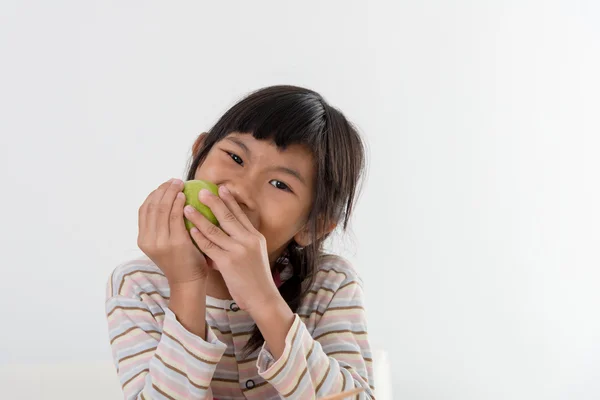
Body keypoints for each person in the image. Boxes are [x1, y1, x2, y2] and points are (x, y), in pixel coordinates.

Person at [105, 85, 375, 399]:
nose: (240, 190)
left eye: (279, 184)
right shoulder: (137, 284)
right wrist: (186, 286)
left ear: (314, 227)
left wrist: (264, 300)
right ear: (200, 153)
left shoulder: (330, 284)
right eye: (235, 157)